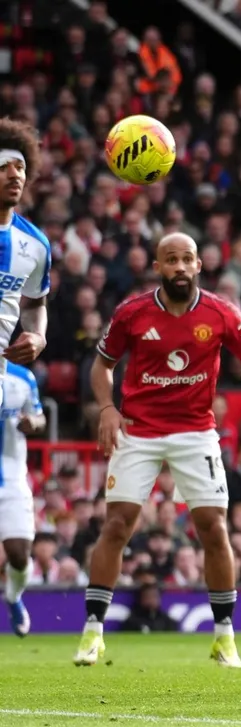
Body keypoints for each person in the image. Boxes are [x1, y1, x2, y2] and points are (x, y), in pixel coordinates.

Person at [74, 232, 241, 668]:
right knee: (117, 526)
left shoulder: (222, 312)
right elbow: (102, 365)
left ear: (199, 265)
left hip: (196, 432)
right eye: (171, 260)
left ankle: (224, 637)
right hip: (139, 430)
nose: (180, 267)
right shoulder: (132, 312)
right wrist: (107, 408)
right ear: (157, 266)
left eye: (187, 259)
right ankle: (93, 631)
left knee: (213, 527)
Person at [0, 118, 53, 635]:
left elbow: (36, 308)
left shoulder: (33, 244)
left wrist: (37, 337)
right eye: (3, 166)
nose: (14, 174)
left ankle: (15, 599)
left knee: (18, 551)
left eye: (20, 166)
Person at [1, 365, 46, 636]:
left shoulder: (22, 377)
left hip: (13, 477)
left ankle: (13, 596)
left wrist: (33, 423)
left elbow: (39, 417)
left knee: (18, 555)